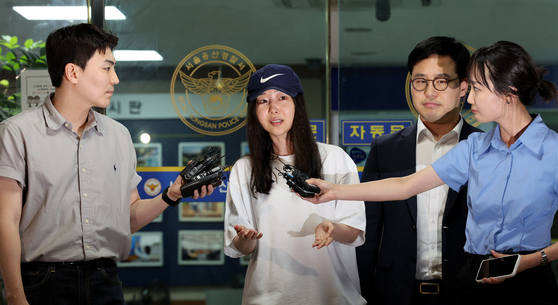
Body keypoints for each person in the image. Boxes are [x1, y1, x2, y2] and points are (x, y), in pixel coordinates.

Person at [306, 41, 558, 304]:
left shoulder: (553, 151)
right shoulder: (475, 148)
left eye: (477, 89)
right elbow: (406, 186)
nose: (469, 98)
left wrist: (534, 260)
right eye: (470, 88)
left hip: (531, 282)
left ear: (509, 91)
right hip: (473, 281)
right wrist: (334, 191)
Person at [0, 23, 212, 305]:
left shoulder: (118, 135)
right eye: (106, 68)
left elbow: (128, 217)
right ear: (72, 72)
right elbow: (6, 220)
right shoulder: (17, 133)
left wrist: (171, 194)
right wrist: (15, 296)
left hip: (106, 281)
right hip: (42, 283)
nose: (115, 79)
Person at [224, 64, 366, 304]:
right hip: (267, 297)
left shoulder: (335, 158)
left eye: (282, 97)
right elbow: (239, 245)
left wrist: (332, 228)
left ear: (297, 104)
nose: (274, 109)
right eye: (262, 101)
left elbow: (354, 232)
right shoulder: (244, 169)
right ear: (254, 111)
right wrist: (246, 238)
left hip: (332, 296)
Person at [356, 36, 483, 305]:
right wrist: (361, 291)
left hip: (467, 293)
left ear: (463, 87)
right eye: (420, 81)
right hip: (395, 292)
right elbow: (369, 229)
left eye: (441, 81)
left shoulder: (485, 148)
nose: (429, 92)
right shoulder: (385, 148)